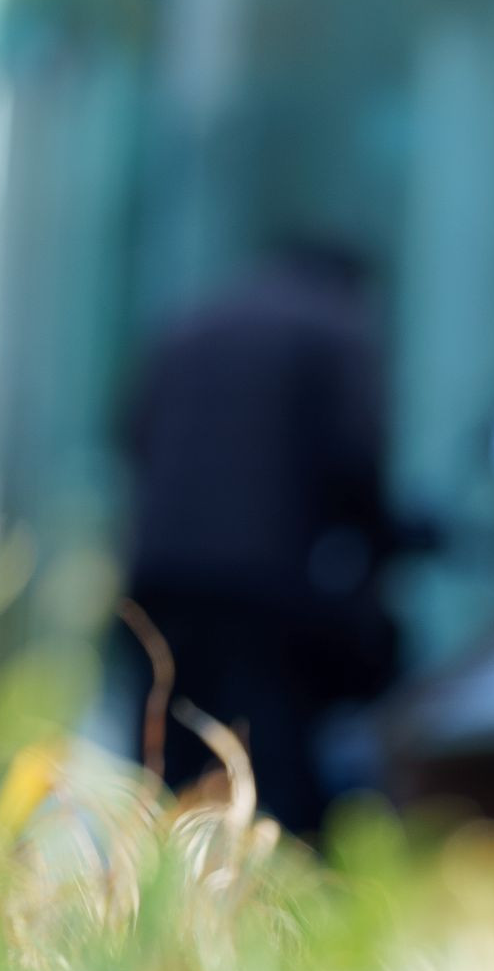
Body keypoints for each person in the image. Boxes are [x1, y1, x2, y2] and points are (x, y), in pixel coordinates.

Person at [117, 237, 414, 835]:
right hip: (262, 592)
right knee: (268, 764)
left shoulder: (193, 324)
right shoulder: (335, 326)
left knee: (167, 760)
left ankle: (157, 884)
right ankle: (273, 883)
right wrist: (382, 537)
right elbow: (354, 461)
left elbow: (131, 434)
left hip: (161, 577)